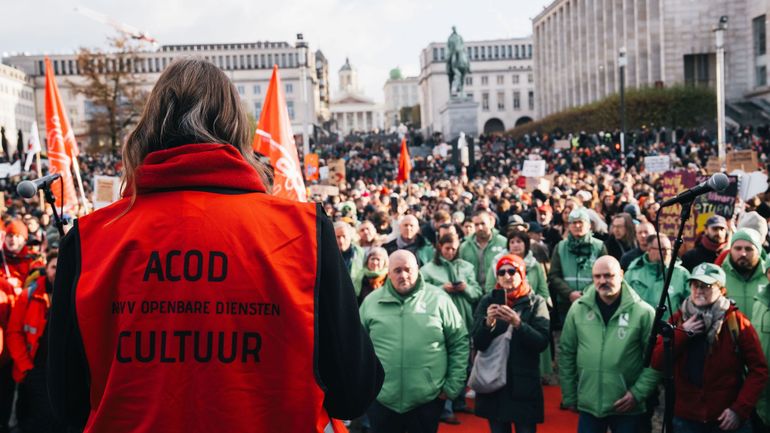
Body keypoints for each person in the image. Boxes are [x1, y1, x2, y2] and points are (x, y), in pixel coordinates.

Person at [48, 58, 383, 433]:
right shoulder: (304, 231)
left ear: (150, 127)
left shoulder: (91, 238)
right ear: (236, 127)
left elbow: (65, 404)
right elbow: (353, 391)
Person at [360, 250, 469, 433]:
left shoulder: (439, 299)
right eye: (397, 270)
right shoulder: (371, 302)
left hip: (426, 400)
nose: (403, 275)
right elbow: (357, 349)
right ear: (388, 271)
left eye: (408, 269)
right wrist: (363, 386)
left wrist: (451, 388)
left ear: (418, 270)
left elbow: (459, 342)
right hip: (381, 399)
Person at [653, 263, 768, 432]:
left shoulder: (736, 322)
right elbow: (657, 361)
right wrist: (682, 333)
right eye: (695, 285)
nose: (699, 290)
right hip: (686, 418)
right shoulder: (677, 320)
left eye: (706, 286)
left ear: (721, 290)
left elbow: (758, 370)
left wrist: (739, 409)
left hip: (725, 419)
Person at [559, 256, 661, 433]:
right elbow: (566, 352)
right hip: (589, 405)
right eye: (597, 276)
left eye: (608, 275)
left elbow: (656, 360)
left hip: (627, 407)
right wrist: (569, 395)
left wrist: (637, 394)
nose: (602, 281)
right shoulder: (578, 308)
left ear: (621, 274)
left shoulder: (643, 313)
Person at [472, 254, 550, 433]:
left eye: (512, 271)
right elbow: (478, 343)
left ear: (521, 274)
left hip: (523, 384)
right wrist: (488, 323)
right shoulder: (488, 301)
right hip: (494, 383)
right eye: (501, 272)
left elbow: (541, 343)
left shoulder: (535, 302)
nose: (507, 276)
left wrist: (518, 324)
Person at [7, 253, 62, 433]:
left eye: (62, 266)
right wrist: (26, 368)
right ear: (46, 269)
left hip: (60, 372)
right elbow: (14, 333)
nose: (58, 271)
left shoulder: (75, 294)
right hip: (33, 369)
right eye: (54, 267)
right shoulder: (29, 295)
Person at [548, 208, 607, 325]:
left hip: (593, 301)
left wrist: (587, 294)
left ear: (589, 225)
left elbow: (605, 274)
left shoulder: (599, 247)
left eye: (581, 222)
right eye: (573, 222)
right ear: (569, 226)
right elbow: (554, 275)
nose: (577, 225)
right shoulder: (560, 247)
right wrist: (569, 293)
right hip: (566, 303)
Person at [624, 234, 690, 319]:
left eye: (669, 249)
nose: (666, 252)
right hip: (640, 326)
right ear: (649, 250)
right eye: (662, 249)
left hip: (669, 328)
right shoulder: (633, 273)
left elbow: (690, 304)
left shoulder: (682, 274)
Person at [722, 228, 767, 319]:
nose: (743, 253)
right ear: (730, 250)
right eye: (738, 248)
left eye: (748, 249)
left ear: (758, 251)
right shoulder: (720, 277)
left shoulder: (767, 277)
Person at [459, 210, 508, 289]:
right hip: (472, 293)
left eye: (483, 223)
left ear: (491, 223)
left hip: (496, 290)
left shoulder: (503, 243)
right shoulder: (464, 247)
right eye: (476, 225)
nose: (480, 228)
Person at [336, 221, 366, 298]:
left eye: (344, 236)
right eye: (338, 237)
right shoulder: (327, 253)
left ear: (350, 237)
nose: (341, 241)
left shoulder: (361, 253)